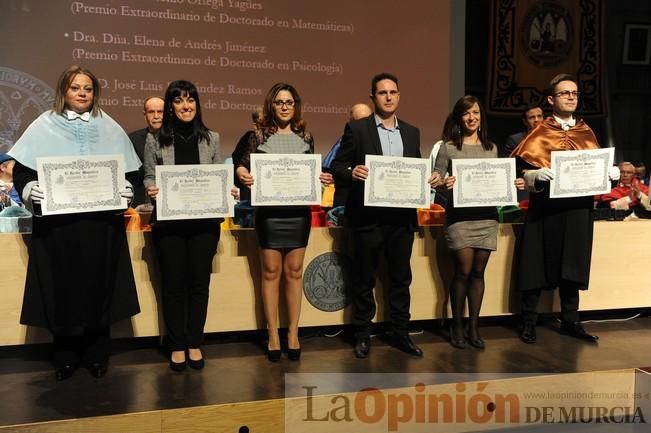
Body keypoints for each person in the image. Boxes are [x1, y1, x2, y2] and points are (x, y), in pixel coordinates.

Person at [9, 65, 141, 380]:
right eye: (75, 88)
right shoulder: (44, 125)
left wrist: (127, 191)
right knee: (63, 287)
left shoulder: (110, 127)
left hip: (100, 227)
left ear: (94, 93)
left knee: (100, 286)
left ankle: (97, 352)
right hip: (60, 228)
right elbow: (23, 171)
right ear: (63, 92)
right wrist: (29, 189)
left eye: (88, 88)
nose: (82, 93)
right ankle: (65, 353)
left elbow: (131, 174)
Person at [331, 72, 441, 359]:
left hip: (400, 221)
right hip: (367, 219)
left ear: (399, 96)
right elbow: (337, 167)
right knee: (364, 278)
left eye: (393, 92)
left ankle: (401, 333)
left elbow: (414, 170)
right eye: (382, 93)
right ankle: (363, 334)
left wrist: (427, 180)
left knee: (400, 278)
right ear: (373, 97)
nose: (389, 97)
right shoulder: (358, 129)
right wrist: (350, 172)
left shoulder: (411, 132)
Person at [511, 73, 619, 344]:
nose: (571, 97)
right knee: (537, 261)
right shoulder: (540, 131)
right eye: (565, 93)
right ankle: (529, 321)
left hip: (578, 208)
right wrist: (534, 177)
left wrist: (609, 174)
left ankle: (571, 320)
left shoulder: (586, 131)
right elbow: (520, 169)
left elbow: (593, 166)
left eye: (574, 93)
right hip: (546, 207)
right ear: (551, 99)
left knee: (574, 261)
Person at [235, 82, 331, 362]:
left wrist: (320, 178)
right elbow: (240, 164)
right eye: (279, 102)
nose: (285, 107)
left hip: (297, 213)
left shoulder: (306, 135)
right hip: (269, 214)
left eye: (289, 102)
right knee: (270, 272)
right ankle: (273, 334)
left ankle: (293, 333)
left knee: (295, 271)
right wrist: (242, 173)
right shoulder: (257, 135)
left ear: (296, 106)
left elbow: (307, 173)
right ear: (271, 105)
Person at [143, 80, 222, 371]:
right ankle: (176, 344)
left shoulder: (212, 138)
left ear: (198, 104)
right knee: (173, 286)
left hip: (204, 224)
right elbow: (149, 176)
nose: (186, 106)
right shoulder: (155, 139)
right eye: (178, 101)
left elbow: (216, 177)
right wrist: (152, 188)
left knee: (199, 286)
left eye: (190, 100)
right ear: (170, 106)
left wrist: (227, 191)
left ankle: (194, 342)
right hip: (169, 224)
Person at [434, 95, 524, 350]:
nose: (471, 118)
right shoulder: (448, 147)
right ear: (459, 118)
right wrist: (444, 183)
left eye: (475, 112)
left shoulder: (491, 148)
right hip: (459, 218)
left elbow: (493, 182)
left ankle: (474, 325)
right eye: (466, 113)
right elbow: (436, 181)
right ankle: (457, 325)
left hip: (486, 217)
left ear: (480, 116)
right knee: (462, 271)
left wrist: (512, 183)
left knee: (478, 272)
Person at [323, 103, 373, 208]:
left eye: (367, 120)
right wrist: (350, 173)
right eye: (359, 122)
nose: (363, 126)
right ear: (351, 123)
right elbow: (333, 168)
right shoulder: (345, 142)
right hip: (347, 203)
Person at [128, 97, 164, 207]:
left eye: (160, 112)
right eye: (151, 112)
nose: (156, 116)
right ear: (145, 115)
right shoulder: (132, 140)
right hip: (142, 205)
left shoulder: (178, 139)